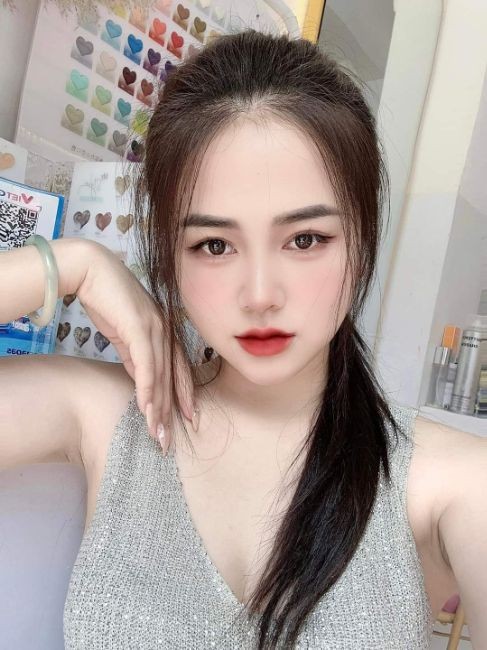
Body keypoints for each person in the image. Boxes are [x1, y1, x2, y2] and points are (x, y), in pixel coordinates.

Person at [1, 28, 485, 650]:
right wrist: (69, 266)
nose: (259, 294)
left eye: (305, 239)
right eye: (213, 245)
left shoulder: (452, 482)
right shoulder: (106, 416)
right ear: (168, 257)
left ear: (363, 240)